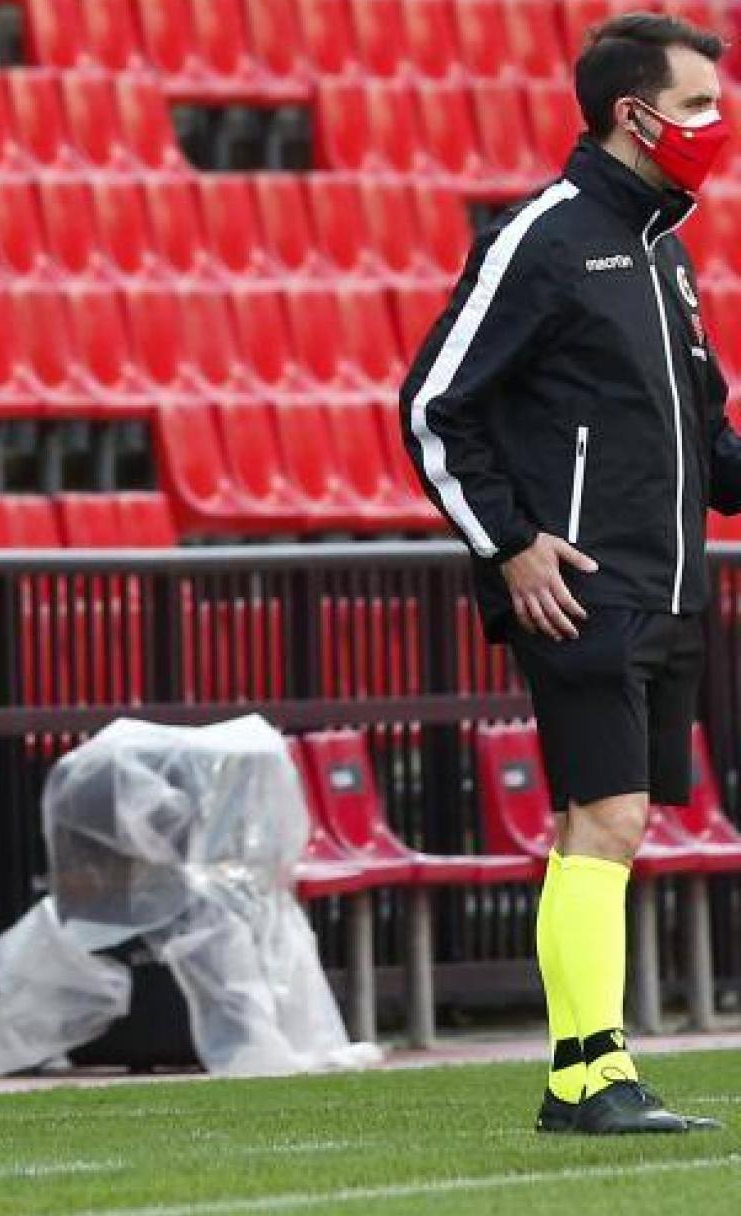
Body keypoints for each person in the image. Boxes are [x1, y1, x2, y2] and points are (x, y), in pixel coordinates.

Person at [400, 11, 740, 1135]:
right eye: (696, 104)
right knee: (609, 814)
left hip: (672, 587)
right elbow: (432, 405)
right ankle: (589, 1073)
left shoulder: (667, 252)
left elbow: (707, 436)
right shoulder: (542, 236)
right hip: (582, 586)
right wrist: (508, 542)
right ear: (631, 114)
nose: (714, 124)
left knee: (614, 823)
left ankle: (586, 1072)